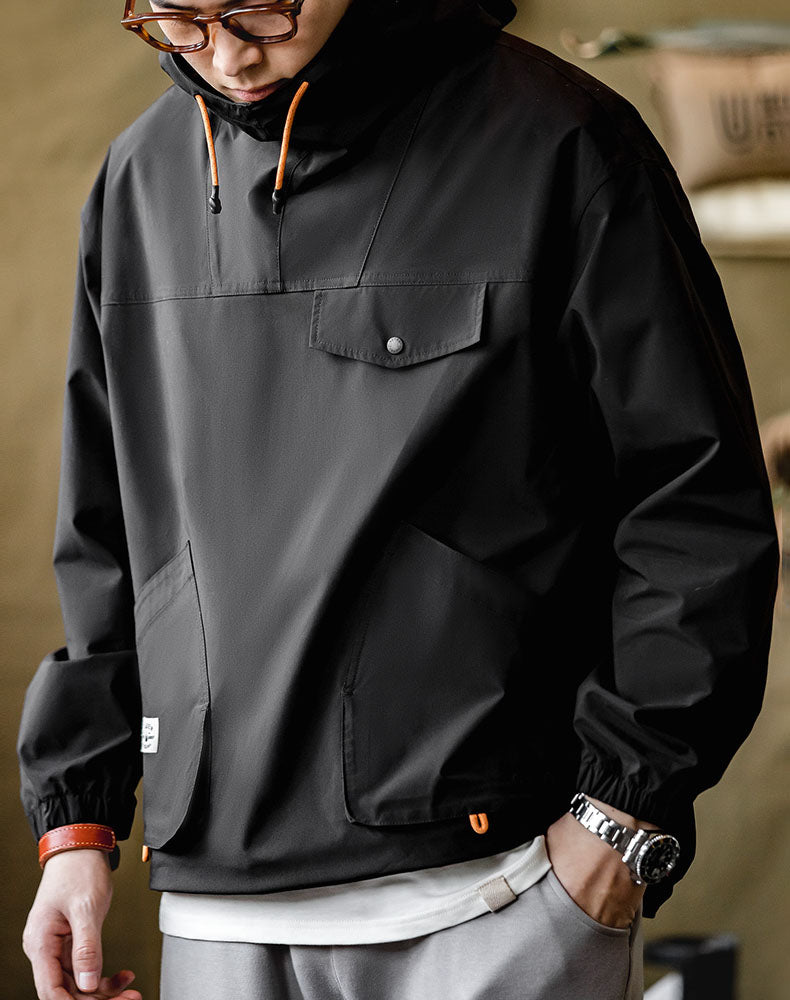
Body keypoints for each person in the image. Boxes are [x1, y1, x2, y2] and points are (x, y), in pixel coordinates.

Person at [17, 1, 779, 998]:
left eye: (258, 8)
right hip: (214, 906)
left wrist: (620, 822)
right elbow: (108, 528)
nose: (228, 55)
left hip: (495, 890)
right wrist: (77, 824)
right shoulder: (138, 178)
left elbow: (692, 497)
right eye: (179, 21)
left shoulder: (562, 140)